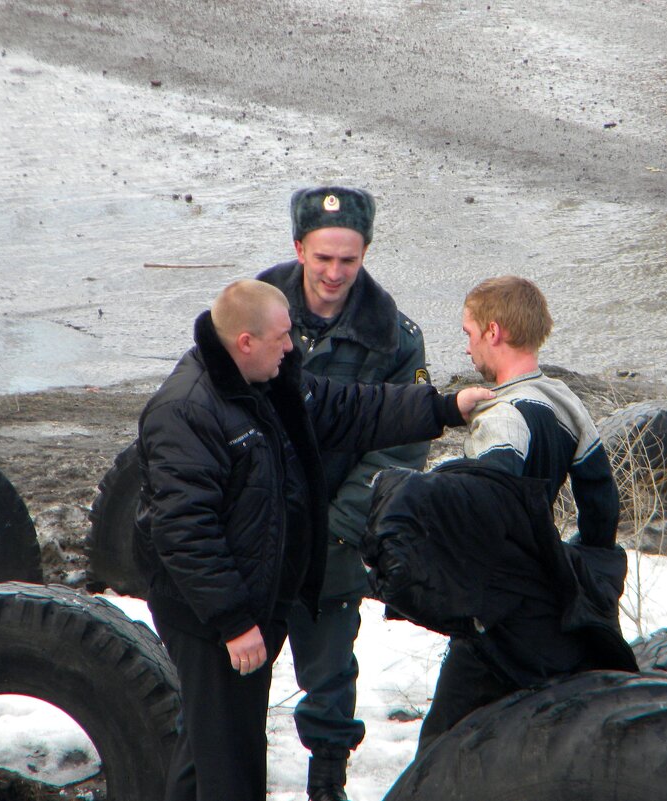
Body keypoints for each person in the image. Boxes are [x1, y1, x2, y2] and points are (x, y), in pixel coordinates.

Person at [132, 278, 490, 801]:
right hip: (207, 612)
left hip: (254, 595)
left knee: (208, 742)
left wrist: (444, 408)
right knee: (231, 758)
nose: (291, 346)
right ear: (245, 342)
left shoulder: (271, 381)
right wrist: (234, 622)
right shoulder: (187, 409)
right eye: (282, 337)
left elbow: (352, 408)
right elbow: (184, 530)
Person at [256, 186, 429, 801]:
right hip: (255, 529)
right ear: (299, 247)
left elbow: (400, 446)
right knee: (231, 670)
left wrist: (336, 528)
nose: (334, 273)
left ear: (365, 254)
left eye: (348, 260)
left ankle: (327, 781)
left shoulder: (394, 339)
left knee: (329, 671)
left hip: (332, 536)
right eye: (323, 257)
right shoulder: (251, 312)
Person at [404, 275, 627, 754]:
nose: (466, 348)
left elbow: (490, 507)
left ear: (494, 332)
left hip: (500, 616)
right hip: (551, 601)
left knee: (442, 747)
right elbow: (601, 502)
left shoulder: (503, 416)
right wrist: (589, 573)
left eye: (468, 334)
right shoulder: (566, 401)